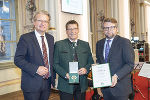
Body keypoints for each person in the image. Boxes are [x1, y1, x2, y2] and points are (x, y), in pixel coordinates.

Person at [14, 10, 55, 100]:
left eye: (45, 21)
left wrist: (53, 79)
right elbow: (18, 59)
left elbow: (51, 60)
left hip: (47, 83)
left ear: (48, 24)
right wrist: (36, 69)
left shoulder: (51, 38)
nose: (42, 23)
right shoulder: (25, 38)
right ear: (34, 22)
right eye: (39, 20)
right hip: (31, 84)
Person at [54, 20, 94, 100]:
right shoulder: (59, 44)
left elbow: (90, 61)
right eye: (70, 29)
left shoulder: (85, 44)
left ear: (78, 30)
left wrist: (86, 69)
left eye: (75, 29)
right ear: (66, 31)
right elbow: (55, 64)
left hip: (81, 83)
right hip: (65, 84)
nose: (72, 31)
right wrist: (65, 74)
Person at [96, 18, 135, 100]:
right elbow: (99, 62)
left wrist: (116, 76)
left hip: (121, 88)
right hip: (105, 88)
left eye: (112, 27)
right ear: (103, 30)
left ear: (116, 29)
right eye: (106, 28)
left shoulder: (124, 42)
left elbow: (130, 64)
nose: (108, 30)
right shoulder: (99, 43)